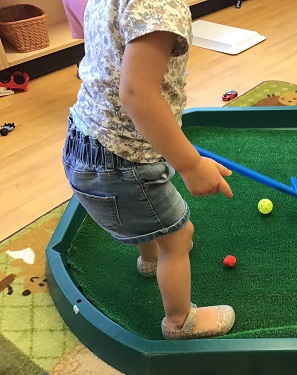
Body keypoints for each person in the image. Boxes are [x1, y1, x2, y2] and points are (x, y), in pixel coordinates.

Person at [61, 0, 236, 339]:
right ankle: (179, 321)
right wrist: (191, 164)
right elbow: (138, 94)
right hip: (122, 160)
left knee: (147, 215)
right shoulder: (159, 6)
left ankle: (150, 258)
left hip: (83, 139)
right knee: (179, 238)